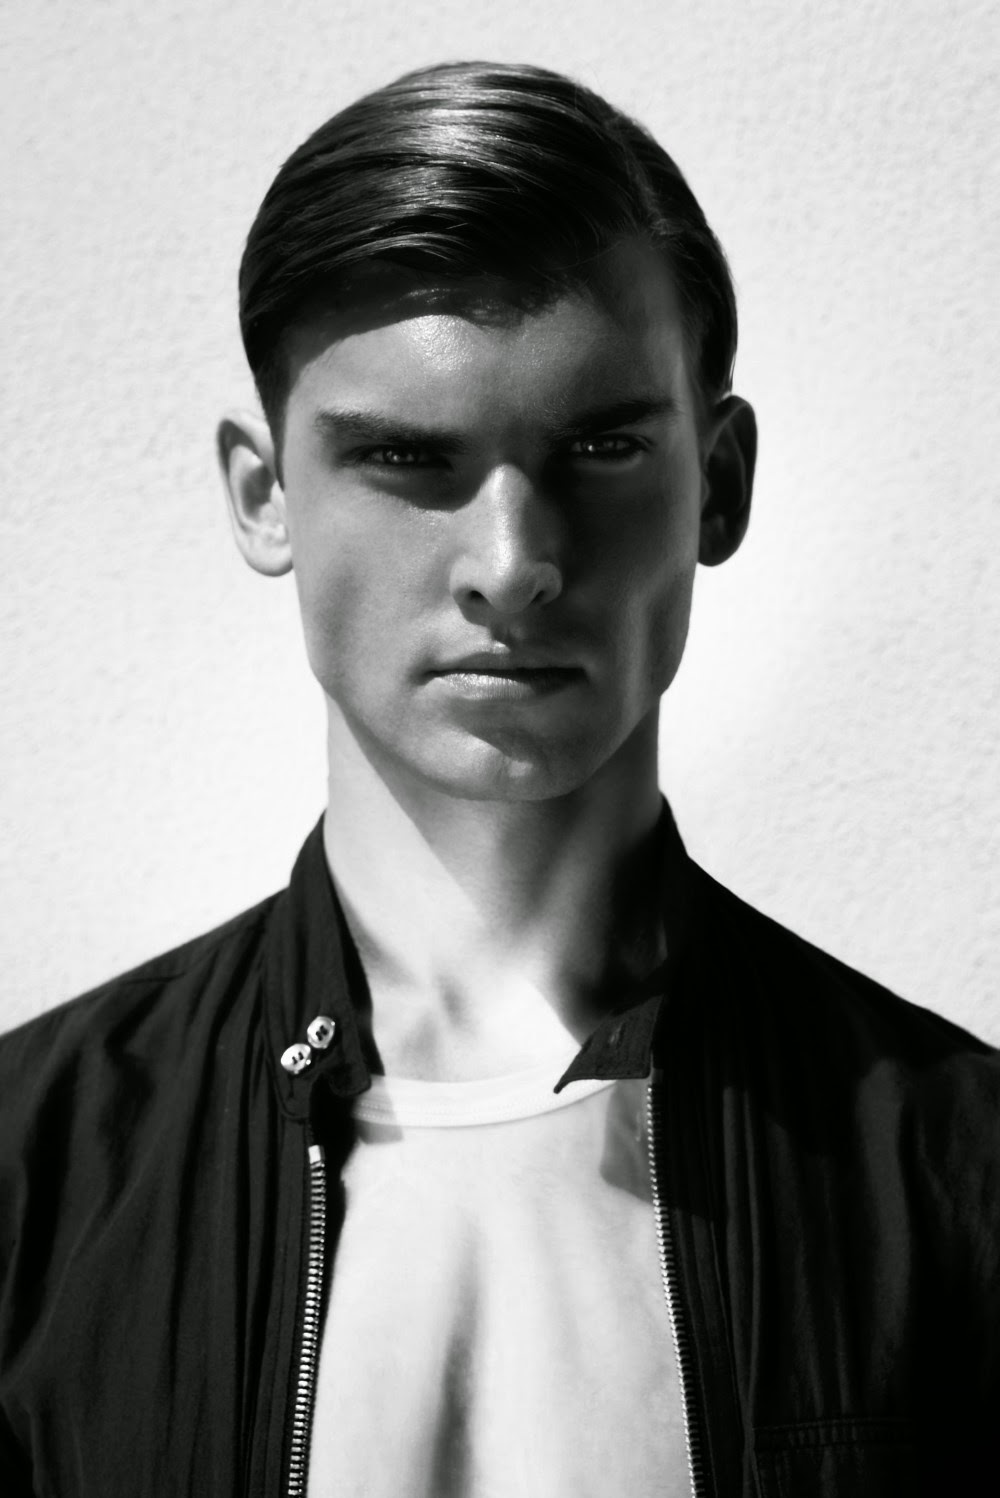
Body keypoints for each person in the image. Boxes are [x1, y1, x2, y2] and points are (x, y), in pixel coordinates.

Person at [0, 59, 996, 1498]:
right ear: (266, 496)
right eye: (409, 457)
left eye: (601, 445)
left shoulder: (962, 1174)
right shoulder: (29, 1179)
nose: (514, 562)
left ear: (718, 483)